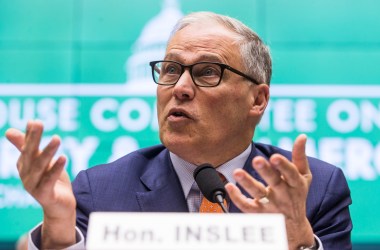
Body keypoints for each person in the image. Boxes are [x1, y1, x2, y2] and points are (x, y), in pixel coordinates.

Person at [5, 11, 352, 250]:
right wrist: (59, 230)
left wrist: (298, 241)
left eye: (207, 72)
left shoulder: (316, 191)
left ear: (257, 100)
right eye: (171, 69)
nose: (180, 88)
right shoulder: (100, 190)